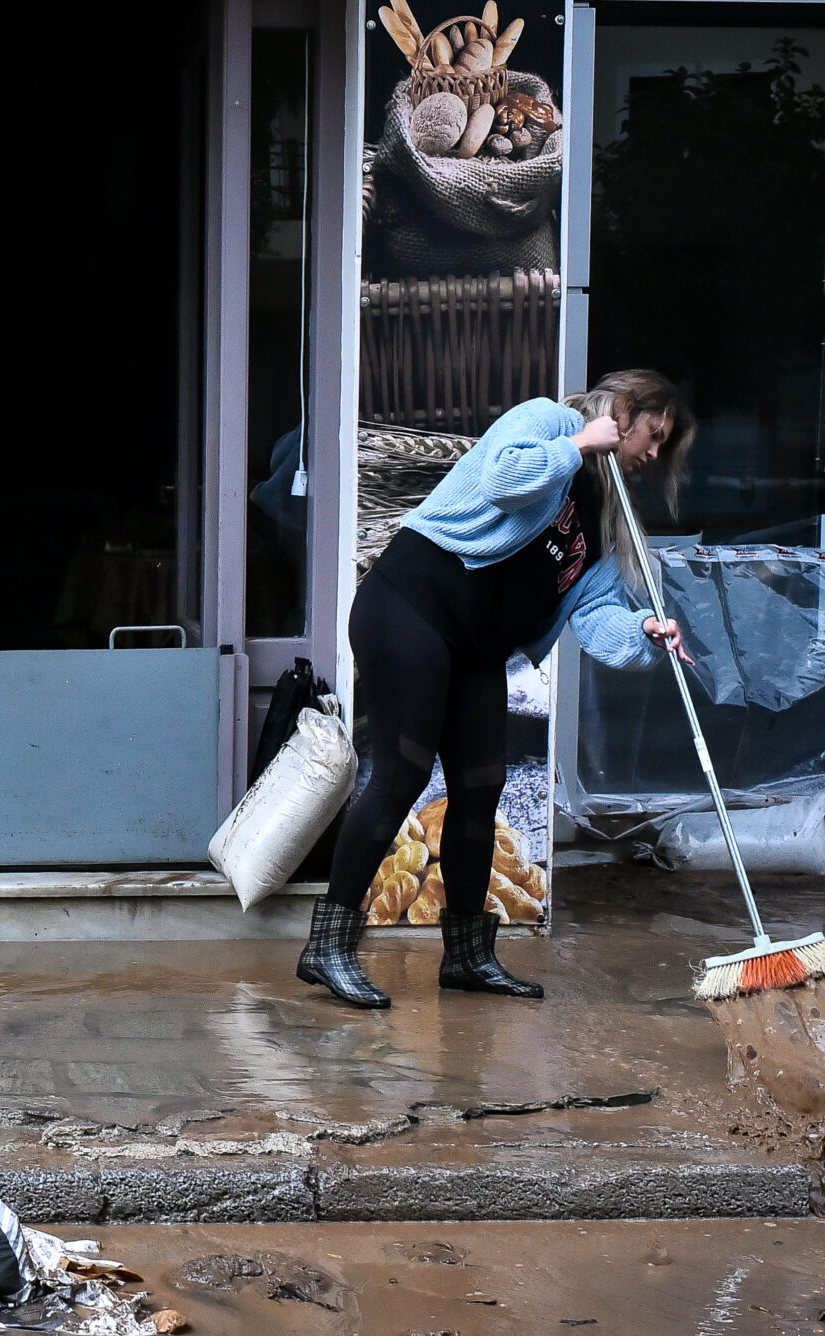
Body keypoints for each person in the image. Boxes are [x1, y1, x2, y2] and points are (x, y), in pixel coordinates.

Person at [299, 370, 697, 1009]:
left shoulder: (605, 518)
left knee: (481, 789)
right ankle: (328, 944)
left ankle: (467, 956)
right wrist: (579, 445)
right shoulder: (547, 423)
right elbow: (502, 482)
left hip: (475, 648)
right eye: (653, 436)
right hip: (410, 609)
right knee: (402, 776)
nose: (653, 455)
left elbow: (590, 612)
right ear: (623, 412)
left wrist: (645, 627)